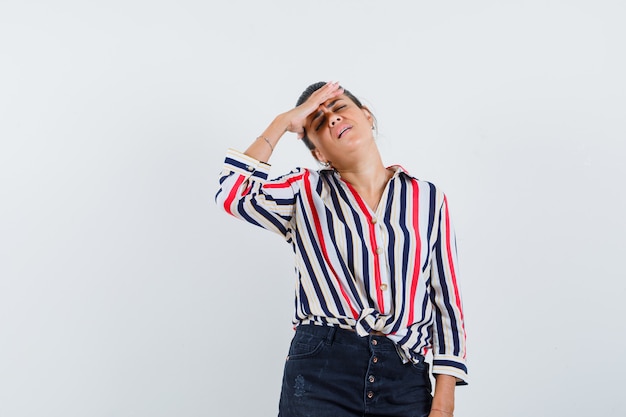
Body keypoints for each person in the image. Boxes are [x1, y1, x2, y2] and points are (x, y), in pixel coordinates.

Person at [215, 81, 468, 417]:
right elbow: (233, 193)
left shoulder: (428, 199)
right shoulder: (303, 191)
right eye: (318, 122)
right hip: (322, 370)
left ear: (366, 115)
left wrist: (444, 399)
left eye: (339, 107)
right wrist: (282, 122)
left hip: (405, 378)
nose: (333, 119)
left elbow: (446, 303)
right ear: (318, 153)